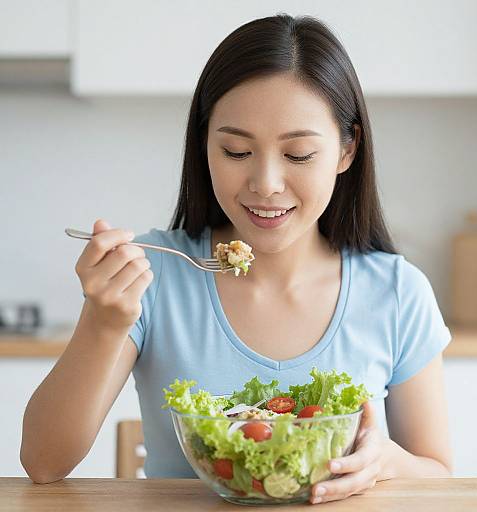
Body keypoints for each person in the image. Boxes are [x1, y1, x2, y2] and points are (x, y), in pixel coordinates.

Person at [20, 14, 452, 504]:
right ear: (205, 144)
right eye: (236, 149)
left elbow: (437, 471)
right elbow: (43, 461)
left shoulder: (397, 291)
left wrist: (385, 462)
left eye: (299, 155)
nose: (266, 183)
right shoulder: (156, 275)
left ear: (347, 149)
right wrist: (102, 322)